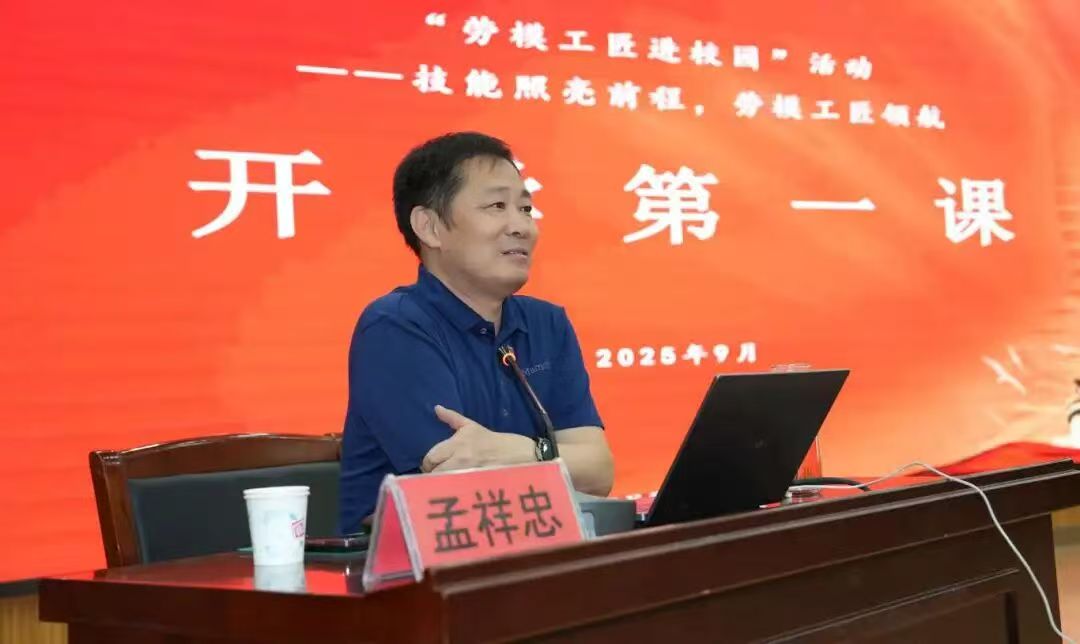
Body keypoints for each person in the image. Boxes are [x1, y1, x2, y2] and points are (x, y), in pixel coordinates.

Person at [338, 132, 614, 534]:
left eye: (526, 209)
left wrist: (520, 451)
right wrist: (557, 460)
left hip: (529, 549)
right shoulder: (395, 327)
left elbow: (599, 472)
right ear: (430, 227)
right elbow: (459, 483)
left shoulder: (547, 324)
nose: (522, 226)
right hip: (404, 562)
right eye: (497, 206)